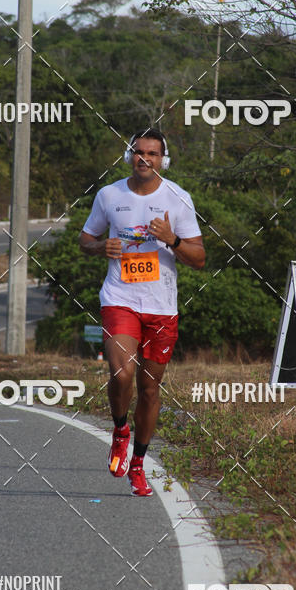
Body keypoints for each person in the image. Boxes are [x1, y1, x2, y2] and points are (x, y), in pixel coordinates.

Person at [79, 129, 205, 496]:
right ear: (129, 156)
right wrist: (101, 246)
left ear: (163, 160)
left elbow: (199, 259)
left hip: (162, 306)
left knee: (149, 390)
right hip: (120, 297)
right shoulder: (109, 195)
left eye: (152, 153)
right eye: (138, 152)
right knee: (122, 373)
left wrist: (172, 239)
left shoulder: (178, 198)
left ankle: (138, 464)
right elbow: (85, 240)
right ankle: (120, 430)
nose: (144, 158)